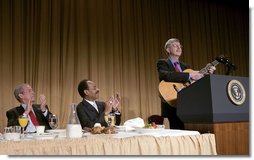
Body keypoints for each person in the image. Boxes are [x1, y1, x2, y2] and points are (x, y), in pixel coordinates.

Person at [157, 38, 216, 129]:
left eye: (180, 46)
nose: (179, 47)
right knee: (177, 131)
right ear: (168, 50)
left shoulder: (186, 66)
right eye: (175, 45)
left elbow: (192, 83)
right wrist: (189, 76)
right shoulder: (163, 63)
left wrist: (205, 74)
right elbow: (166, 75)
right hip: (173, 102)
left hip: (188, 104)